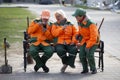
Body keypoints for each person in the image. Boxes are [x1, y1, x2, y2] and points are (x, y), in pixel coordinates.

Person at [72, 8, 99, 74]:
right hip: (84, 41)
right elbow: (80, 32)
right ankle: (85, 69)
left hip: (93, 42)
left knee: (89, 54)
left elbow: (94, 37)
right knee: (81, 55)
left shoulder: (91, 24)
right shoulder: (80, 22)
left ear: (81, 16)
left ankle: (93, 69)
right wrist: (77, 36)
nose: (75, 17)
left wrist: (88, 46)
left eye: (76, 16)